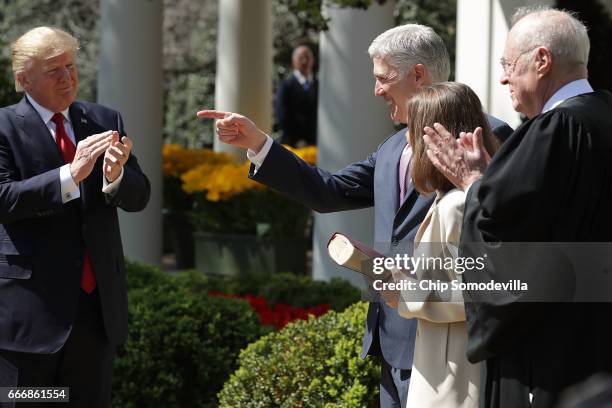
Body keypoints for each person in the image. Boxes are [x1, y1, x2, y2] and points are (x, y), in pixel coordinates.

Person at [199, 24, 512, 408]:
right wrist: (259, 144)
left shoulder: (489, 137)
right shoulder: (392, 145)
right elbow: (328, 191)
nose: (377, 90)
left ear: (418, 74)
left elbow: (501, 245)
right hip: (389, 338)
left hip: (449, 346)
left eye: (383, 78)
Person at [422, 7, 612, 408]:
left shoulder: (554, 130)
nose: (503, 77)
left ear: (542, 60)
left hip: (550, 354)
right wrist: (496, 184)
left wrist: (474, 186)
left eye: (509, 64)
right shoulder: (602, 116)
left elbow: (509, 238)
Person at [0, 26, 150, 407]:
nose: (67, 78)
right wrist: (71, 174)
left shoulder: (105, 120)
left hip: (95, 313)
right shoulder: (3, 127)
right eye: (53, 70)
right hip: (30, 317)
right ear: (23, 79)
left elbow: (140, 195)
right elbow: (4, 199)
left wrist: (115, 177)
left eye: (70, 66)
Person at [396, 82, 499, 408]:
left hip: (454, 371)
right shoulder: (451, 199)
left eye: (414, 131)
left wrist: (406, 292)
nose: (408, 141)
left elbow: (482, 292)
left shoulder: (458, 205)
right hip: (443, 363)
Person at [274, 45, 318, 146]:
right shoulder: (285, 85)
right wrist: (295, 140)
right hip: (292, 144)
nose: (304, 61)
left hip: (317, 143)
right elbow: (282, 114)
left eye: (307, 57)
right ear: (293, 61)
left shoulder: (319, 85)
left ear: (312, 60)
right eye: (300, 57)